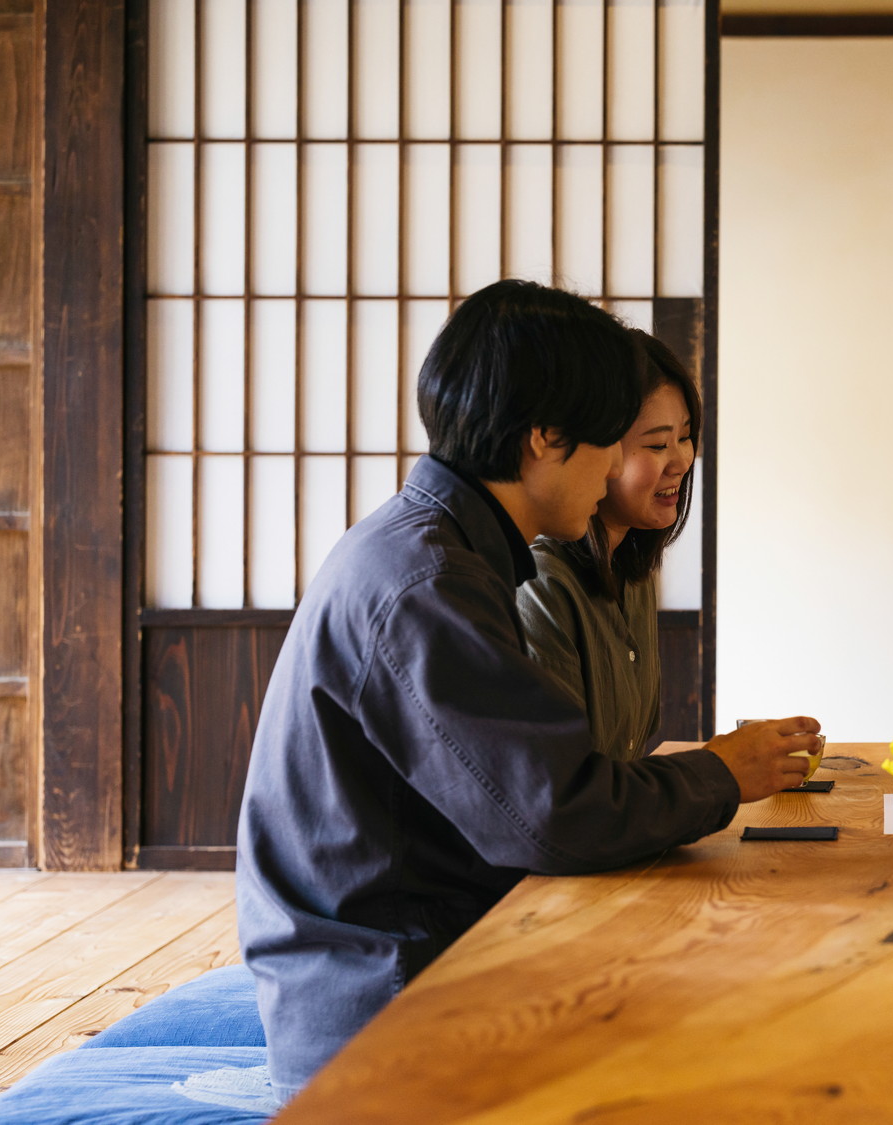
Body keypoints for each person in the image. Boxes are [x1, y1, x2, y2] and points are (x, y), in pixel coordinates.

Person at [236, 280, 821, 1100]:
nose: (621, 466)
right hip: (386, 1002)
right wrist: (720, 772)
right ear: (545, 439)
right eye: (611, 442)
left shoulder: (439, 551)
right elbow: (557, 814)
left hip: (428, 952)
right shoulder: (430, 582)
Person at [517, 330, 696, 760]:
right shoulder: (540, 581)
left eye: (685, 437)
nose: (681, 461)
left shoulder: (631, 568)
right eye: (656, 444)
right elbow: (564, 786)